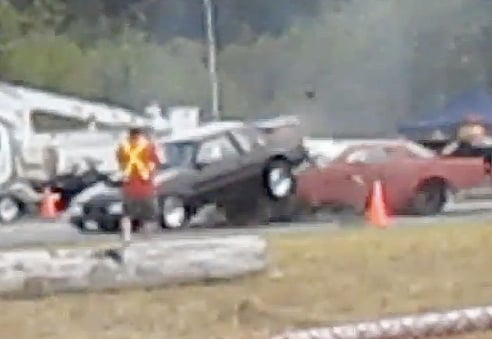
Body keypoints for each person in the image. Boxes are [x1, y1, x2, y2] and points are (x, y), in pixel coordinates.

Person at [116, 127, 161, 233]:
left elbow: (120, 163)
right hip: (145, 187)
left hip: (129, 187)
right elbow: (157, 163)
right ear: (141, 134)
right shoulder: (149, 146)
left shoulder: (122, 147)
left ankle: (126, 235)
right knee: (149, 214)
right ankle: (147, 235)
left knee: (127, 214)